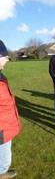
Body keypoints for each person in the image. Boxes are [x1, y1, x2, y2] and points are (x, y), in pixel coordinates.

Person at [0, 40, 20, 178]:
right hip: (2, 126)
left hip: (5, 123)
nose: (7, 60)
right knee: (4, 154)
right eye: (5, 57)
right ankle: (2, 173)